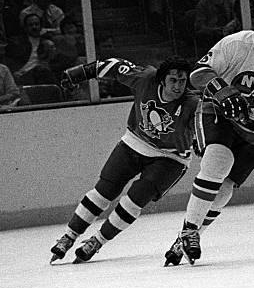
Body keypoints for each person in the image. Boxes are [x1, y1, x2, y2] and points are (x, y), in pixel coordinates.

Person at [164, 0, 254, 266]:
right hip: (219, 114)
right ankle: (190, 230)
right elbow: (198, 73)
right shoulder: (235, 44)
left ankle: (187, 236)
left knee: (225, 190)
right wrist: (223, 89)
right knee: (219, 161)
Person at [50, 55, 199, 264]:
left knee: (134, 200)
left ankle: (97, 241)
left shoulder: (193, 103)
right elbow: (114, 66)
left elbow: (207, 125)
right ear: (161, 80)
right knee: (103, 191)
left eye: (182, 81)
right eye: (173, 80)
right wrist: (81, 72)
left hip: (171, 157)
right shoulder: (146, 78)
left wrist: (204, 141)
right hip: (135, 143)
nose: (178, 86)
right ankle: (69, 236)